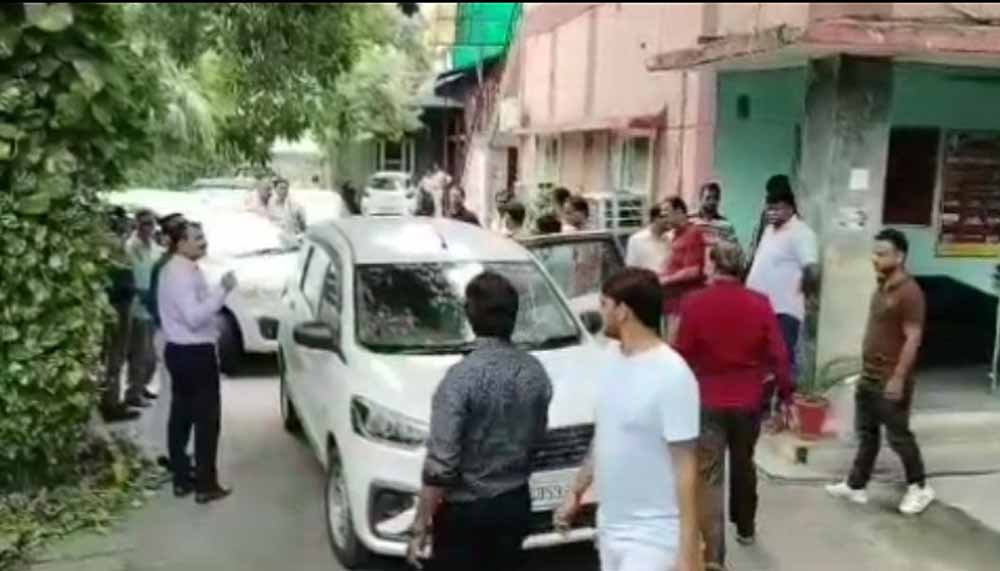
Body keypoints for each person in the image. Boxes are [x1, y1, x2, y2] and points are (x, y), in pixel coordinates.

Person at [555, 268, 701, 571]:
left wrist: (688, 551)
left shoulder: (673, 374)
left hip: (654, 536)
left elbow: (686, 468)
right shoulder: (611, 357)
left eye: (604, 304)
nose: (600, 312)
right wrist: (576, 491)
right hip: (610, 527)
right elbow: (605, 434)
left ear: (623, 311)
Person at [407, 272, 553, 571]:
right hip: (515, 503)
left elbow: (441, 466)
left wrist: (420, 524)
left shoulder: (459, 380)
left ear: (470, 316)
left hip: (465, 513)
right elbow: (537, 439)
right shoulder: (535, 372)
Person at [674, 241, 793, 569]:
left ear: (713, 266)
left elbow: (682, 353)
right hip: (747, 401)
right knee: (744, 463)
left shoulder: (694, 303)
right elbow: (779, 354)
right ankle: (745, 527)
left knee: (709, 476)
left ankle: (714, 556)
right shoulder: (759, 303)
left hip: (706, 400)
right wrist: (786, 395)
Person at [826, 229, 934, 516]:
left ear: (900, 256)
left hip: (890, 378)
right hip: (870, 375)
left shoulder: (910, 293)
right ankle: (856, 485)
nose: (875, 258)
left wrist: (898, 378)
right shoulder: (881, 286)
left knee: (898, 436)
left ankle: (919, 487)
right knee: (867, 434)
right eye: (874, 253)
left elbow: (913, 338)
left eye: (882, 253)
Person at [158, 221, 237, 504]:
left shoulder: (177, 269)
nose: (204, 242)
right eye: (197, 238)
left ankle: (182, 478)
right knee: (206, 420)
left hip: (180, 351)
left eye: (203, 236)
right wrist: (222, 291)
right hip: (194, 352)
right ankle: (205, 484)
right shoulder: (181, 274)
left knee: (180, 415)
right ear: (181, 243)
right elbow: (194, 317)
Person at [745, 175, 819, 397]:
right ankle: (765, 405)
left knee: (782, 361)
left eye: (777, 208)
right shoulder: (770, 230)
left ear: (790, 207)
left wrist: (809, 299)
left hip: (784, 311)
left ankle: (784, 406)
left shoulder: (801, 233)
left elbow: (812, 269)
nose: (771, 213)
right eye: (769, 208)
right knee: (761, 363)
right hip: (761, 308)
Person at [100, 207, 141, 423]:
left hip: (119, 304)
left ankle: (110, 400)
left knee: (114, 356)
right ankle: (110, 403)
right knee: (114, 356)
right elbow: (118, 279)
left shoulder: (113, 244)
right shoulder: (112, 246)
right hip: (117, 305)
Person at [123, 209, 164, 408]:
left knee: (151, 357)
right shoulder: (131, 247)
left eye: (150, 223)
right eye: (144, 223)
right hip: (138, 306)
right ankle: (134, 392)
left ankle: (141, 386)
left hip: (152, 305)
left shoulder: (154, 247)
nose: (148, 227)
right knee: (141, 355)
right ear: (137, 225)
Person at [660, 197, 707, 343]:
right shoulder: (674, 235)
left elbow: (693, 270)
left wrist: (665, 279)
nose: (664, 217)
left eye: (667, 212)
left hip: (682, 303)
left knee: (675, 346)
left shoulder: (693, 233)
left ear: (679, 211)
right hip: (670, 302)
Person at [626, 204, 671, 273]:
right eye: (666, 216)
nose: (670, 220)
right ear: (655, 218)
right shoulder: (637, 240)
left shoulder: (670, 240)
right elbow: (631, 269)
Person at [692, 182, 737, 248]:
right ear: (700, 199)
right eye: (708, 198)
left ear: (719, 200)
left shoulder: (726, 225)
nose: (712, 201)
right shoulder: (689, 220)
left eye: (715, 198)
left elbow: (733, 248)